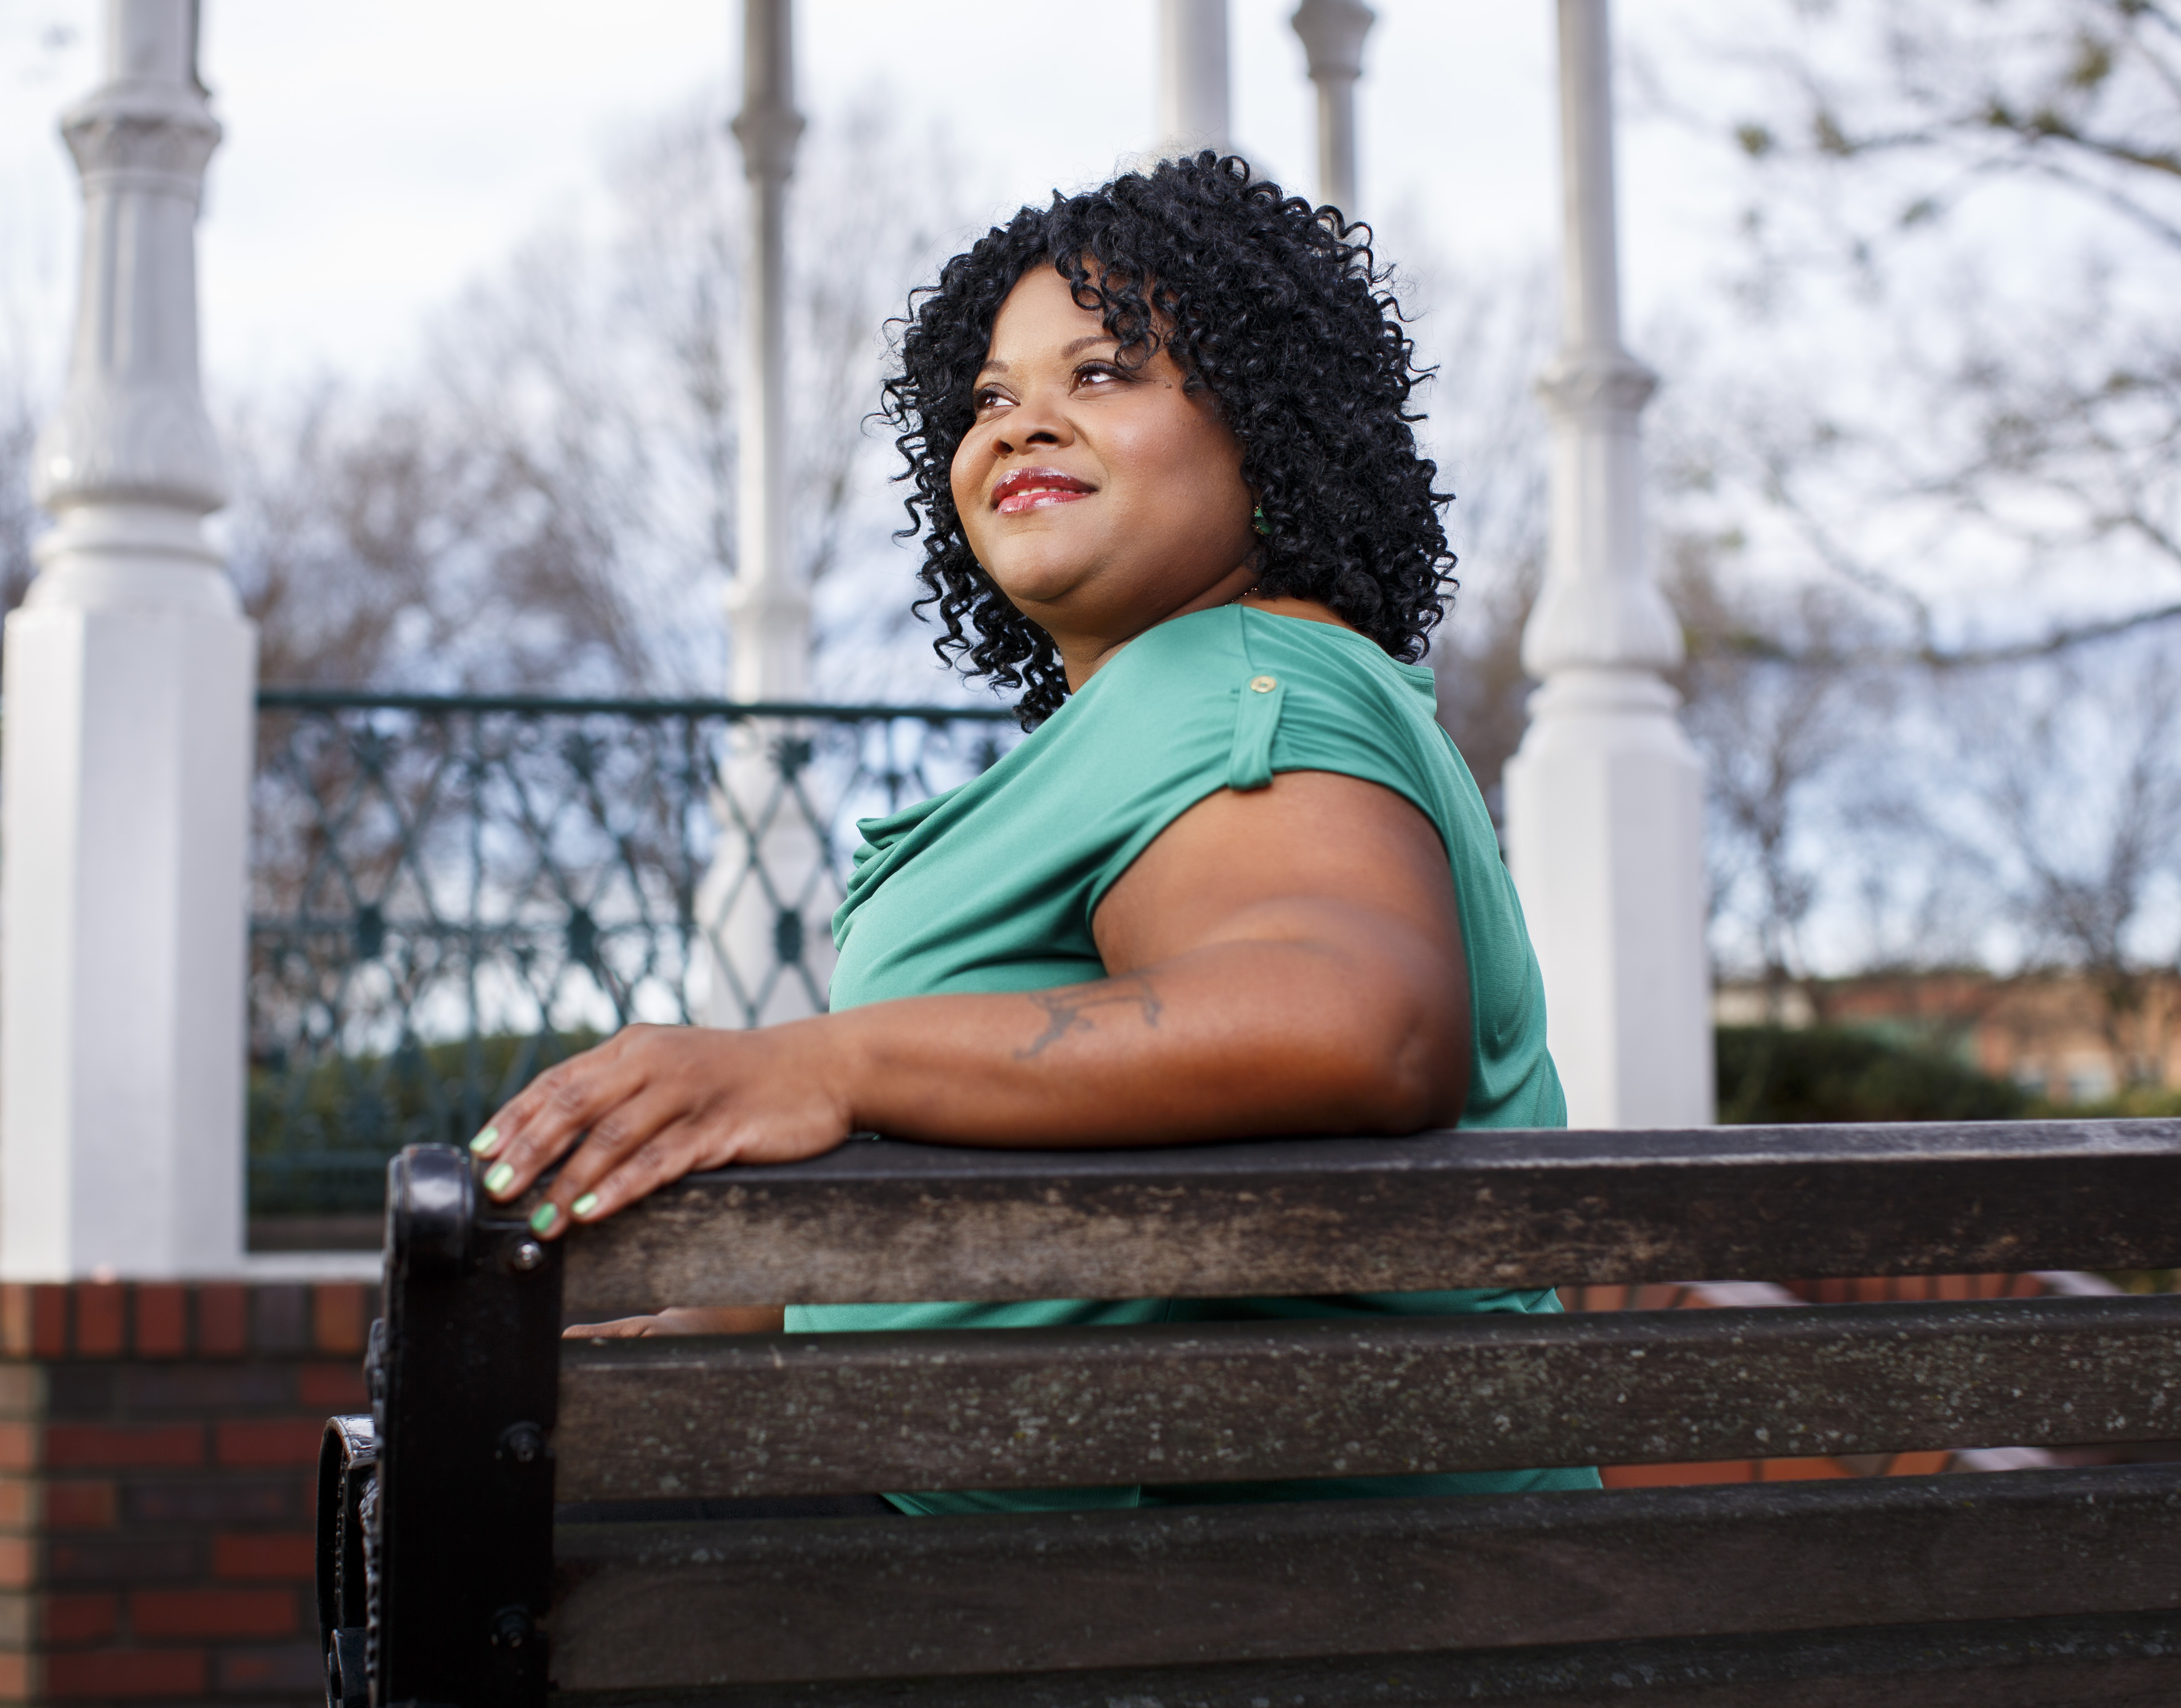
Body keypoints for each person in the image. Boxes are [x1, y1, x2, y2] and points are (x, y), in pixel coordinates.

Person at [469, 153, 1597, 1514]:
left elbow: (1354, 1024)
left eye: (1104, 372)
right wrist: (766, 1315)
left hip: (1201, 1621)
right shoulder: (1191, 703)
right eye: (992, 395)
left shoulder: (1234, 685)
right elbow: (1117, 1179)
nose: (1020, 425)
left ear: (1271, 424)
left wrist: (824, 1068)